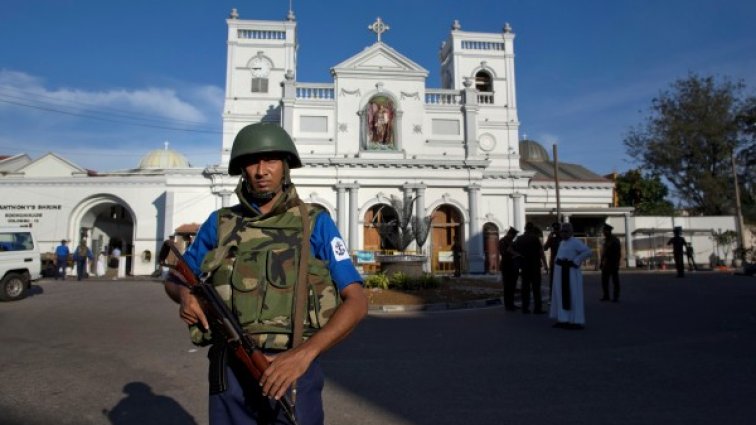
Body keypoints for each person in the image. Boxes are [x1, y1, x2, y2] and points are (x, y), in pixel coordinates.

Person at [163, 122, 368, 425]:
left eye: (271, 159)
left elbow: (357, 300)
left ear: (286, 166)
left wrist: (305, 354)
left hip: (294, 366)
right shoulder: (220, 223)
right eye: (251, 161)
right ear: (241, 169)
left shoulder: (314, 222)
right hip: (230, 367)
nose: (261, 170)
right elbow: (176, 278)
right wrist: (184, 295)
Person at [549, 223, 592, 330]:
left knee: (573, 295)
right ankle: (563, 319)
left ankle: (575, 321)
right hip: (560, 273)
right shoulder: (562, 243)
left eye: (565, 231)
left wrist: (576, 261)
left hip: (571, 272)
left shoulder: (576, 242)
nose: (563, 233)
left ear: (571, 232)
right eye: (562, 231)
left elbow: (588, 252)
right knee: (560, 295)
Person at [513, 222, 549, 314]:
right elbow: (541, 253)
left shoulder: (519, 239)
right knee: (536, 288)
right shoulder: (535, 238)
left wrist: (519, 256)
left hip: (524, 266)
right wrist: (545, 265)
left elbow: (511, 250)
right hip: (535, 266)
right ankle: (537, 308)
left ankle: (525, 308)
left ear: (525, 228)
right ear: (532, 229)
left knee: (525, 288)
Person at [498, 227, 521, 311]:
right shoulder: (503, 241)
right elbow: (503, 253)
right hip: (507, 265)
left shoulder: (510, 241)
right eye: (513, 235)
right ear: (510, 234)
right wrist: (514, 254)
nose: (514, 236)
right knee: (508, 286)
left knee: (512, 286)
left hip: (512, 265)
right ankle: (508, 305)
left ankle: (511, 304)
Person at [599, 224, 622, 302]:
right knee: (604, 281)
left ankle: (616, 297)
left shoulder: (615, 240)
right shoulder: (606, 240)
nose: (604, 233)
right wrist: (601, 262)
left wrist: (616, 263)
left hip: (613, 263)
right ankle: (606, 295)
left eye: (605, 231)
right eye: (603, 231)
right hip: (606, 264)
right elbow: (604, 253)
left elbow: (617, 253)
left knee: (615, 281)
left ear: (608, 231)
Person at [543, 222, 561, 292]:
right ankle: (552, 297)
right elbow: (545, 248)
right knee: (553, 282)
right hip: (554, 263)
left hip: (563, 263)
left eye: (557, 229)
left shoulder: (564, 239)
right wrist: (549, 238)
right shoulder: (552, 239)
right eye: (555, 229)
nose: (556, 231)